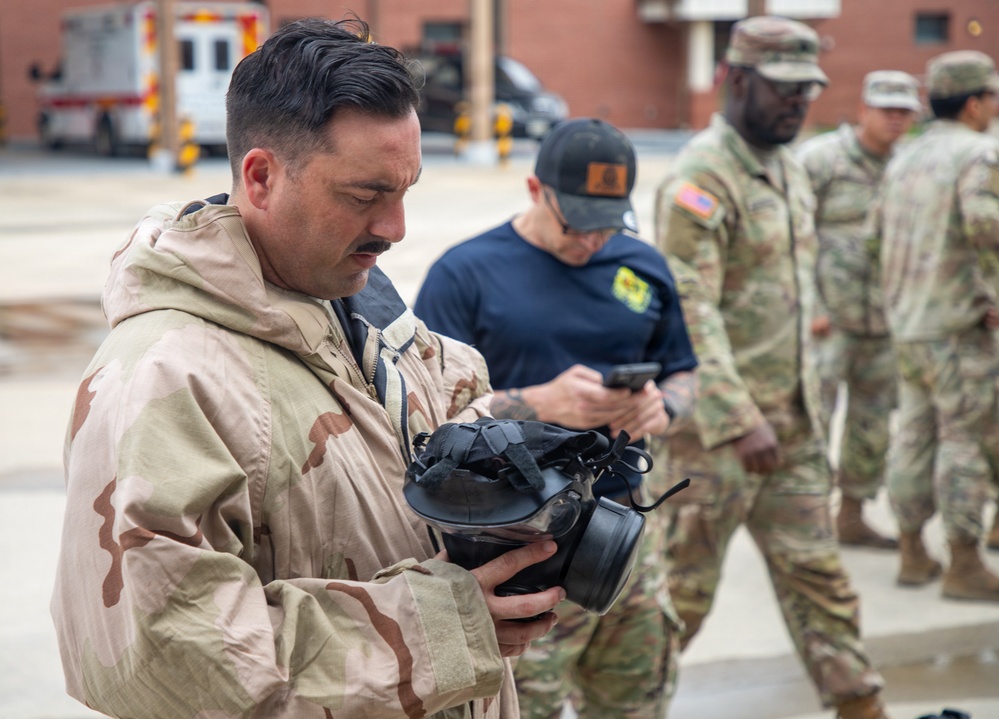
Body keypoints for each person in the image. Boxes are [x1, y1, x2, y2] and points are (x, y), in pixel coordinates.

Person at [49, 18, 565, 719]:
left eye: (405, 190)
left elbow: (458, 413)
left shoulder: (373, 316)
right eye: (363, 195)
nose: (395, 228)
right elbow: (161, 656)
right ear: (261, 177)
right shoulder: (164, 377)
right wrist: (442, 628)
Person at [414, 118, 698, 719]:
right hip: (515, 540)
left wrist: (663, 406)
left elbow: (684, 371)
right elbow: (427, 429)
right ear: (534, 190)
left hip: (621, 529)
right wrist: (537, 406)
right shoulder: (465, 275)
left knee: (639, 697)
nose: (592, 241)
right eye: (577, 223)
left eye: (606, 225)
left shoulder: (643, 267)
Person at [652, 16, 890, 719]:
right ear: (735, 79)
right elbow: (688, 306)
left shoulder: (789, 165)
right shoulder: (702, 175)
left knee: (819, 581)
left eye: (805, 90)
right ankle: (629, 705)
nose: (796, 103)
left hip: (792, 425)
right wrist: (737, 415)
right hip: (718, 436)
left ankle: (859, 705)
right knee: (678, 600)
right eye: (781, 89)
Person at [874, 50, 999, 600]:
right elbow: (985, 223)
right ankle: (965, 560)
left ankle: (910, 549)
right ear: (974, 102)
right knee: (964, 441)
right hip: (958, 327)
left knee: (915, 435)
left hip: (909, 325)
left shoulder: (905, 157)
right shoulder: (981, 154)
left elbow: (874, 236)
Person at [796, 71, 921, 550]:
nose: (896, 119)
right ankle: (808, 516)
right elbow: (794, 236)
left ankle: (852, 514)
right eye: (887, 109)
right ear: (864, 109)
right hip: (829, 322)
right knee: (814, 421)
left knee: (871, 427)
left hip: (885, 324)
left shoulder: (908, 166)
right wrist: (812, 303)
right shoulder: (821, 160)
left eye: (905, 110)